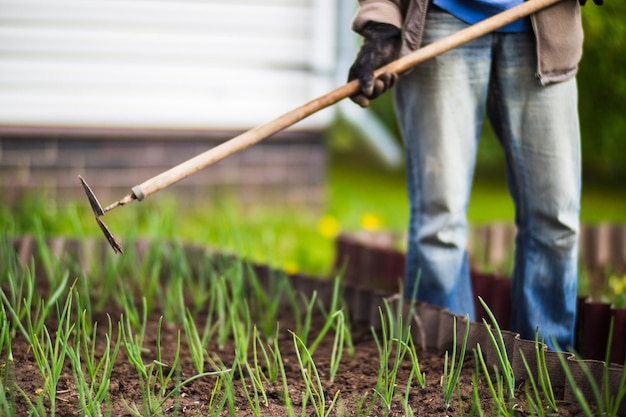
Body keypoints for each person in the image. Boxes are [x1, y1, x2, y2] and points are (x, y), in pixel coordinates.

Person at [347, 0, 603, 351]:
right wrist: (381, 20)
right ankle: (443, 367)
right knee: (439, 219)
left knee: (555, 216)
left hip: (543, 23)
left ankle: (548, 365)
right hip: (441, 17)